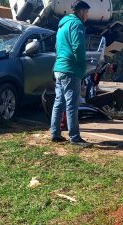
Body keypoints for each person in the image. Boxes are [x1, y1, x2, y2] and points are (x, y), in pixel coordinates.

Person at [50, 0, 91, 147]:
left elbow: (57, 46)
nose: (87, 15)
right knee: (72, 105)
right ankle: (74, 138)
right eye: (86, 12)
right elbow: (78, 47)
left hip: (59, 68)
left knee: (59, 102)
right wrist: (82, 65)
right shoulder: (77, 24)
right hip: (71, 69)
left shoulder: (63, 24)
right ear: (80, 11)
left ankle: (54, 133)